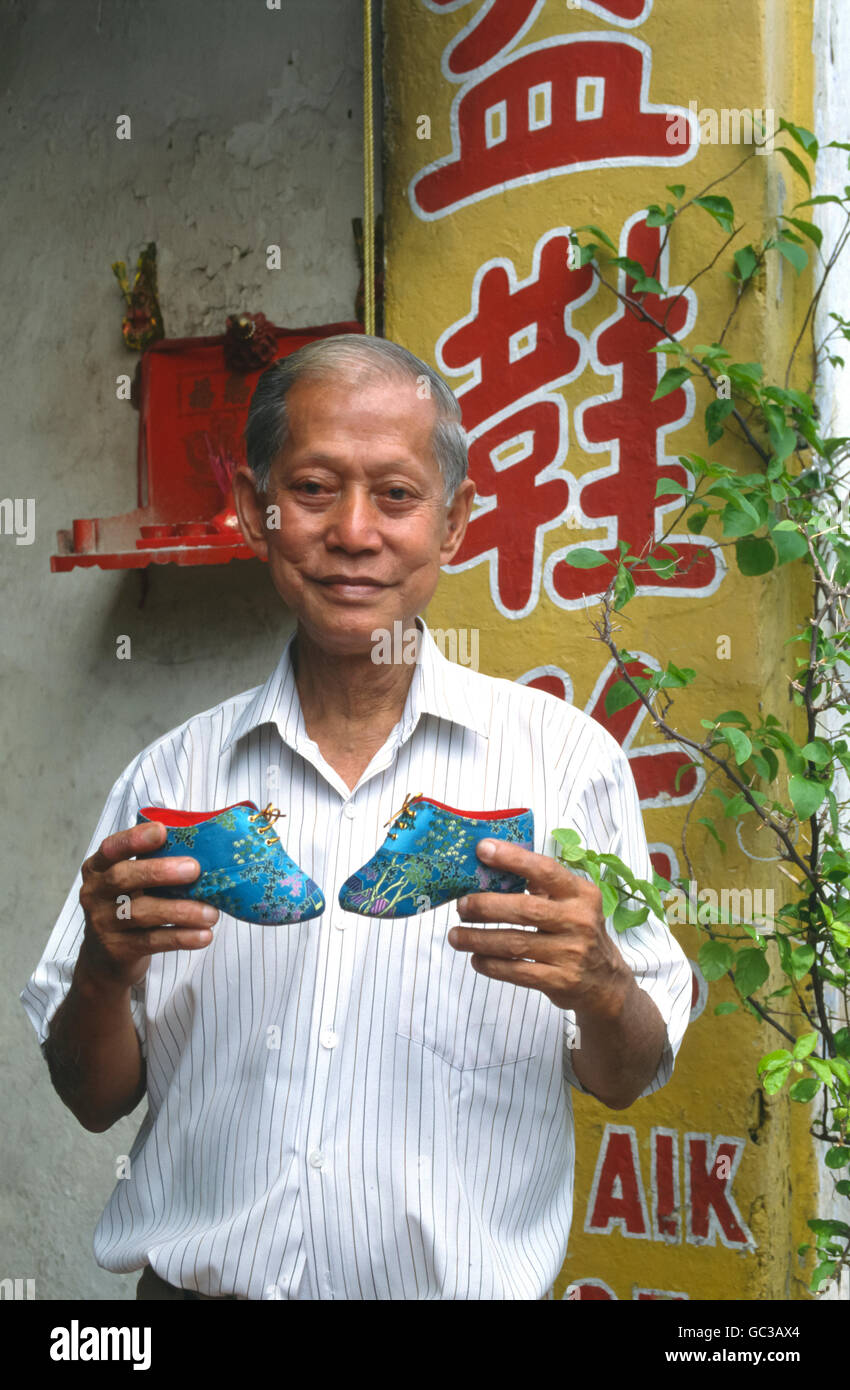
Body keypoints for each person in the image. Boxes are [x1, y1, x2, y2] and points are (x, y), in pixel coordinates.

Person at [21, 334, 692, 1301]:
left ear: (454, 521)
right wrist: (101, 970)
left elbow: (627, 1074)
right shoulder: (167, 780)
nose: (354, 532)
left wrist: (601, 981)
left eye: (397, 495)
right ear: (257, 511)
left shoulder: (565, 766)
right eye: (314, 487)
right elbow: (91, 1100)